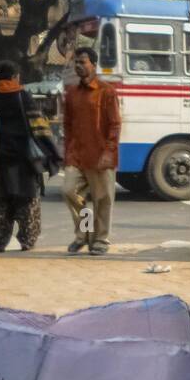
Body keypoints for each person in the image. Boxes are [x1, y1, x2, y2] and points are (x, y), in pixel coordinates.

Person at [0, 61, 60, 251]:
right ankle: (27, 240)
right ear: (15, 77)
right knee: (28, 200)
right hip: (24, 161)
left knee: (0, 201)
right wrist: (53, 154)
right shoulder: (23, 96)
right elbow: (39, 127)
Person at [61, 47, 121, 254]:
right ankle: (85, 234)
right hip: (77, 155)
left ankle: (101, 240)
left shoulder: (107, 92)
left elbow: (114, 125)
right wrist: (67, 152)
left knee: (102, 200)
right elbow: (67, 126)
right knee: (70, 191)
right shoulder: (71, 93)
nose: (78, 66)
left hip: (101, 156)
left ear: (93, 65)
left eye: (82, 62)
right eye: (76, 62)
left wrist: (109, 152)